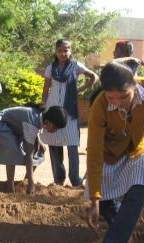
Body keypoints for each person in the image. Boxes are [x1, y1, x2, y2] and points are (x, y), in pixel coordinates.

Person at [86, 62, 144, 243]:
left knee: (138, 186)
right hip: (109, 153)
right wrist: (94, 200)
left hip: (139, 148)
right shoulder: (99, 105)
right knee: (105, 200)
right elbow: (93, 151)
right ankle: (122, 227)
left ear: (134, 84)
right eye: (111, 98)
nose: (118, 103)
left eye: (124, 96)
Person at [42, 39, 97, 187]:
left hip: (70, 112)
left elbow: (93, 77)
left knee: (72, 146)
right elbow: (45, 90)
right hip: (53, 111)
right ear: (55, 51)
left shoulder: (76, 66)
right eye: (60, 50)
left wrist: (80, 90)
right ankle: (58, 179)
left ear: (70, 51)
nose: (63, 53)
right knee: (54, 146)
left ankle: (75, 180)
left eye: (66, 50)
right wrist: (45, 108)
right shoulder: (50, 68)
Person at [0, 105, 67, 194]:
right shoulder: (33, 122)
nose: (55, 131)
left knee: (40, 150)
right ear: (48, 121)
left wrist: (38, 143)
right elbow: (28, 155)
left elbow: (31, 129)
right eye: (55, 127)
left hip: (14, 128)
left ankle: (25, 183)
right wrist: (32, 183)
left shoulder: (40, 117)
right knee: (14, 150)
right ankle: (10, 187)